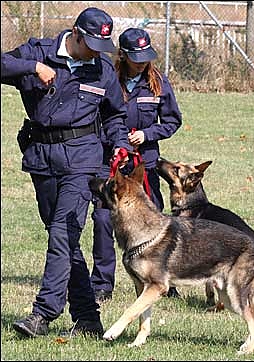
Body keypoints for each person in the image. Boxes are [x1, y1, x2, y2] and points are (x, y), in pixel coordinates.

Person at [1, 7, 131, 338]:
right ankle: (88, 318)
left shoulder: (102, 70)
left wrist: (120, 144)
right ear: (74, 33)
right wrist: (32, 67)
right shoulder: (38, 52)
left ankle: (42, 314)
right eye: (90, 44)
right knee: (65, 240)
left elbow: (115, 115)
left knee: (62, 231)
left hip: (84, 159)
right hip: (43, 157)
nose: (96, 53)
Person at [90, 27, 182, 301]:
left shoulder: (158, 82)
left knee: (156, 220)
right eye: (136, 56)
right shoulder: (108, 79)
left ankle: (166, 278)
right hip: (113, 161)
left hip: (145, 163)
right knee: (104, 219)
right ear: (123, 54)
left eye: (146, 55)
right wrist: (115, 139)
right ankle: (102, 284)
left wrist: (147, 134)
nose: (142, 61)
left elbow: (172, 121)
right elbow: (98, 117)